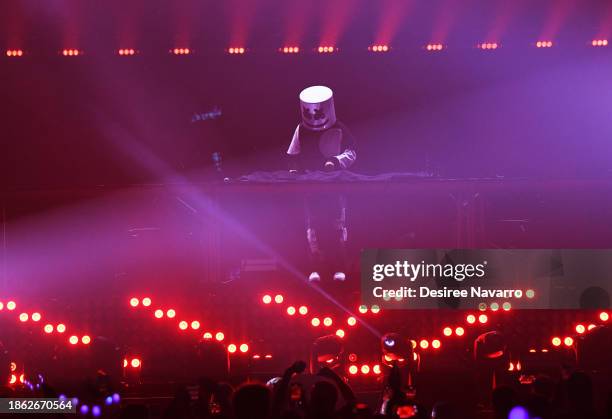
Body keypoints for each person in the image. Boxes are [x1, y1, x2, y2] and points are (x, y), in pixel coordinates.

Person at [286, 85, 357, 282]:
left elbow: (352, 152)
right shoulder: (301, 129)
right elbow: (293, 152)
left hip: (334, 184)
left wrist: (335, 161)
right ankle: (315, 267)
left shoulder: (339, 129)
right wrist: (295, 169)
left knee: (337, 225)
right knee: (312, 227)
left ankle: (339, 266)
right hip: (310, 184)